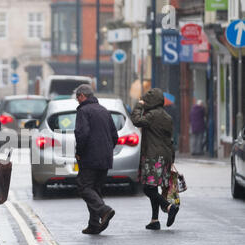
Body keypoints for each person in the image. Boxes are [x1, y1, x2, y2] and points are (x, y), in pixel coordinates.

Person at [130, 88, 179, 230]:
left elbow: (136, 120)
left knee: (148, 188)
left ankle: (169, 207)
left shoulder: (151, 115)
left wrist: (139, 105)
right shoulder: (167, 117)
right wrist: (172, 158)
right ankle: (154, 220)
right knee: (154, 187)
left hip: (153, 157)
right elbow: (170, 139)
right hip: (166, 156)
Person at [74, 84, 118, 235]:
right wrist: (106, 150)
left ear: (82, 96)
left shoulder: (83, 111)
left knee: (84, 186)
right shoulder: (104, 110)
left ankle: (104, 211)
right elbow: (114, 136)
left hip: (89, 156)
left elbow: (82, 134)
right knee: (95, 189)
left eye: (77, 98)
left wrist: (79, 152)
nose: (77, 101)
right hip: (105, 157)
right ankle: (93, 224)